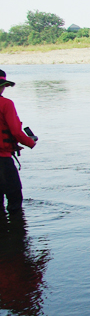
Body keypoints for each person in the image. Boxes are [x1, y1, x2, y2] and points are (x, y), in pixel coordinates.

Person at [0, 70, 37, 214]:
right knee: (14, 199)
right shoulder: (6, 104)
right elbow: (15, 131)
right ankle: (17, 232)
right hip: (3, 161)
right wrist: (30, 142)